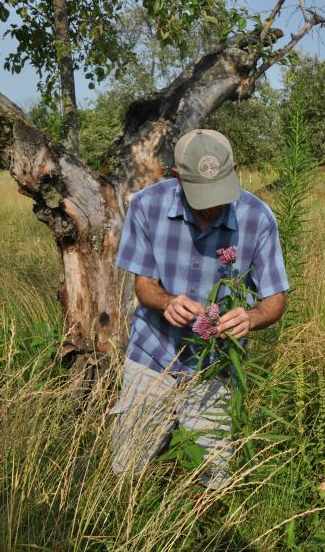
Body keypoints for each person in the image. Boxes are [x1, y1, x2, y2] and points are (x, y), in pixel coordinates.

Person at [109, 128, 289, 488]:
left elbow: (276, 299)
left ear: (235, 169)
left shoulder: (258, 218)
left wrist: (250, 318)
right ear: (177, 176)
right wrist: (166, 303)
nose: (211, 206)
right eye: (200, 195)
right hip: (152, 356)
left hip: (215, 366)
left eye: (219, 192)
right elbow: (144, 285)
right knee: (128, 469)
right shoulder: (147, 206)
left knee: (212, 478)